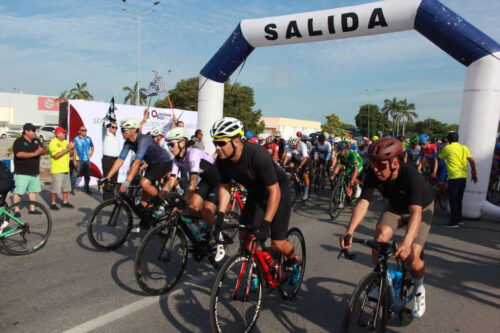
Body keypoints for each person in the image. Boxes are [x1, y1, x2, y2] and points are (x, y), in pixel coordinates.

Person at [340, 137, 434, 319]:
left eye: (381, 165)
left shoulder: (411, 175)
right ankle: (379, 278)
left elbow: (416, 214)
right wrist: (350, 230)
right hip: (396, 208)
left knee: (414, 254)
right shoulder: (373, 173)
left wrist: (406, 243)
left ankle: (419, 288)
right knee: (379, 238)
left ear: (395, 163)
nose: (376, 168)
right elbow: (363, 202)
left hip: (421, 208)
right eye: (373, 163)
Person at [211, 117, 301, 283]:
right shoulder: (222, 161)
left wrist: (266, 224)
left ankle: (293, 261)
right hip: (256, 194)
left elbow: (274, 191)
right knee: (245, 235)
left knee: (278, 242)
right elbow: (225, 187)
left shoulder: (257, 155)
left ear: (236, 141)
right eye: (215, 142)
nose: (217, 147)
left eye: (221, 143)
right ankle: (253, 270)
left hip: (277, 192)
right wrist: (220, 214)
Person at [101, 118, 173, 232]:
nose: (122, 132)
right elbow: (120, 160)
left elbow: (136, 162)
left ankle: (161, 203)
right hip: (152, 165)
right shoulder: (128, 142)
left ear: (133, 130)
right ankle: (146, 222)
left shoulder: (143, 140)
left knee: (144, 182)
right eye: (121, 129)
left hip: (164, 162)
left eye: (124, 129)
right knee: (144, 201)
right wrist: (107, 177)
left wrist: (127, 181)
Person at [161, 127, 220, 227]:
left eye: (171, 144)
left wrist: (183, 201)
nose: (169, 148)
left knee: (206, 211)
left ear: (182, 143)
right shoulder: (177, 160)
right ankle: (196, 230)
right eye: (168, 145)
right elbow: (171, 182)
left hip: (219, 181)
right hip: (206, 180)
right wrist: (158, 197)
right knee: (192, 207)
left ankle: (217, 232)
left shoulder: (193, 154)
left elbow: (193, 183)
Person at [438, 131, 478, 228]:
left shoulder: (447, 148)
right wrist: (473, 172)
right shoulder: (464, 148)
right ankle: (459, 219)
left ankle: (454, 221)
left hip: (454, 177)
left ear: (449, 139)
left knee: (453, 200)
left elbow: (440, 156)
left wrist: (442, 149)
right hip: (463, 177)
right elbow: (471, 161)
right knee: (459, 200)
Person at [12, 123, 45, 216]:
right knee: (19, 191)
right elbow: (19, 154)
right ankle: (16, 210)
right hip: (22, 172)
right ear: (26, 131)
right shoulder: (19, 141)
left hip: (34, 172)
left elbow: (43, 150)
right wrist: (35, 153)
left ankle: (32, 208)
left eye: (35, 130)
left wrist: (42, 151)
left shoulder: (36, 141)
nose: (35, 133)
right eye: (33, 130)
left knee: (33, 190)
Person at [48, 127, 75, 209]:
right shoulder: (53, 142)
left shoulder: (65, 141)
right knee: (55, 187)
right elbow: (56, 155)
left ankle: (65, 201)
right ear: (57, 134)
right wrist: (67, 149)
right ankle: (53, 203)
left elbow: (69, 154)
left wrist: (71, 149)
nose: (64, 134)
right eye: (63, 133)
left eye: (64, 132)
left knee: (66, 187)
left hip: (65, 168)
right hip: (57, 169)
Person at [283, 136, 310, 200]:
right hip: (296, 159)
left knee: (305, 175)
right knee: (290, 166)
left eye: (294, 145)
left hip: (305, 160)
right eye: (291, 145)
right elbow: (287, 156)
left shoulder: (302, 145)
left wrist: (300, 166)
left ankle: (306, 193)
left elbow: (305, 157)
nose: (292, 147)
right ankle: (295, 177)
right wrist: (283, 165)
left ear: (297, 143)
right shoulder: (290, 146)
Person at [71, 125, 94, 194]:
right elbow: (74, 151)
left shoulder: (88, 139)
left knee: (87, 176)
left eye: (85, 130)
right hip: (79, 160)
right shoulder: (76, 139)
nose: (84, 131)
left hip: (86, 160)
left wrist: (91, 153)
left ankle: (87, 188)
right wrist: (74, 160)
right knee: (75, 175)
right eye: (82, 130)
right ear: (79, 131)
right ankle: (71, 189)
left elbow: (92, 146)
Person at [101, 122, 121, 201]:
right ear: (109, 127)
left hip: (116, 159)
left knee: (114, 178)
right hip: (107, 159)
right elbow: (103, 127)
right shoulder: (105, 135)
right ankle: (106, 197)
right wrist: (109, 120)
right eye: (113, 127)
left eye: (116, 128)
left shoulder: (117, 137)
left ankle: (112, 196)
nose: (115, 129)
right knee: (107, 177)